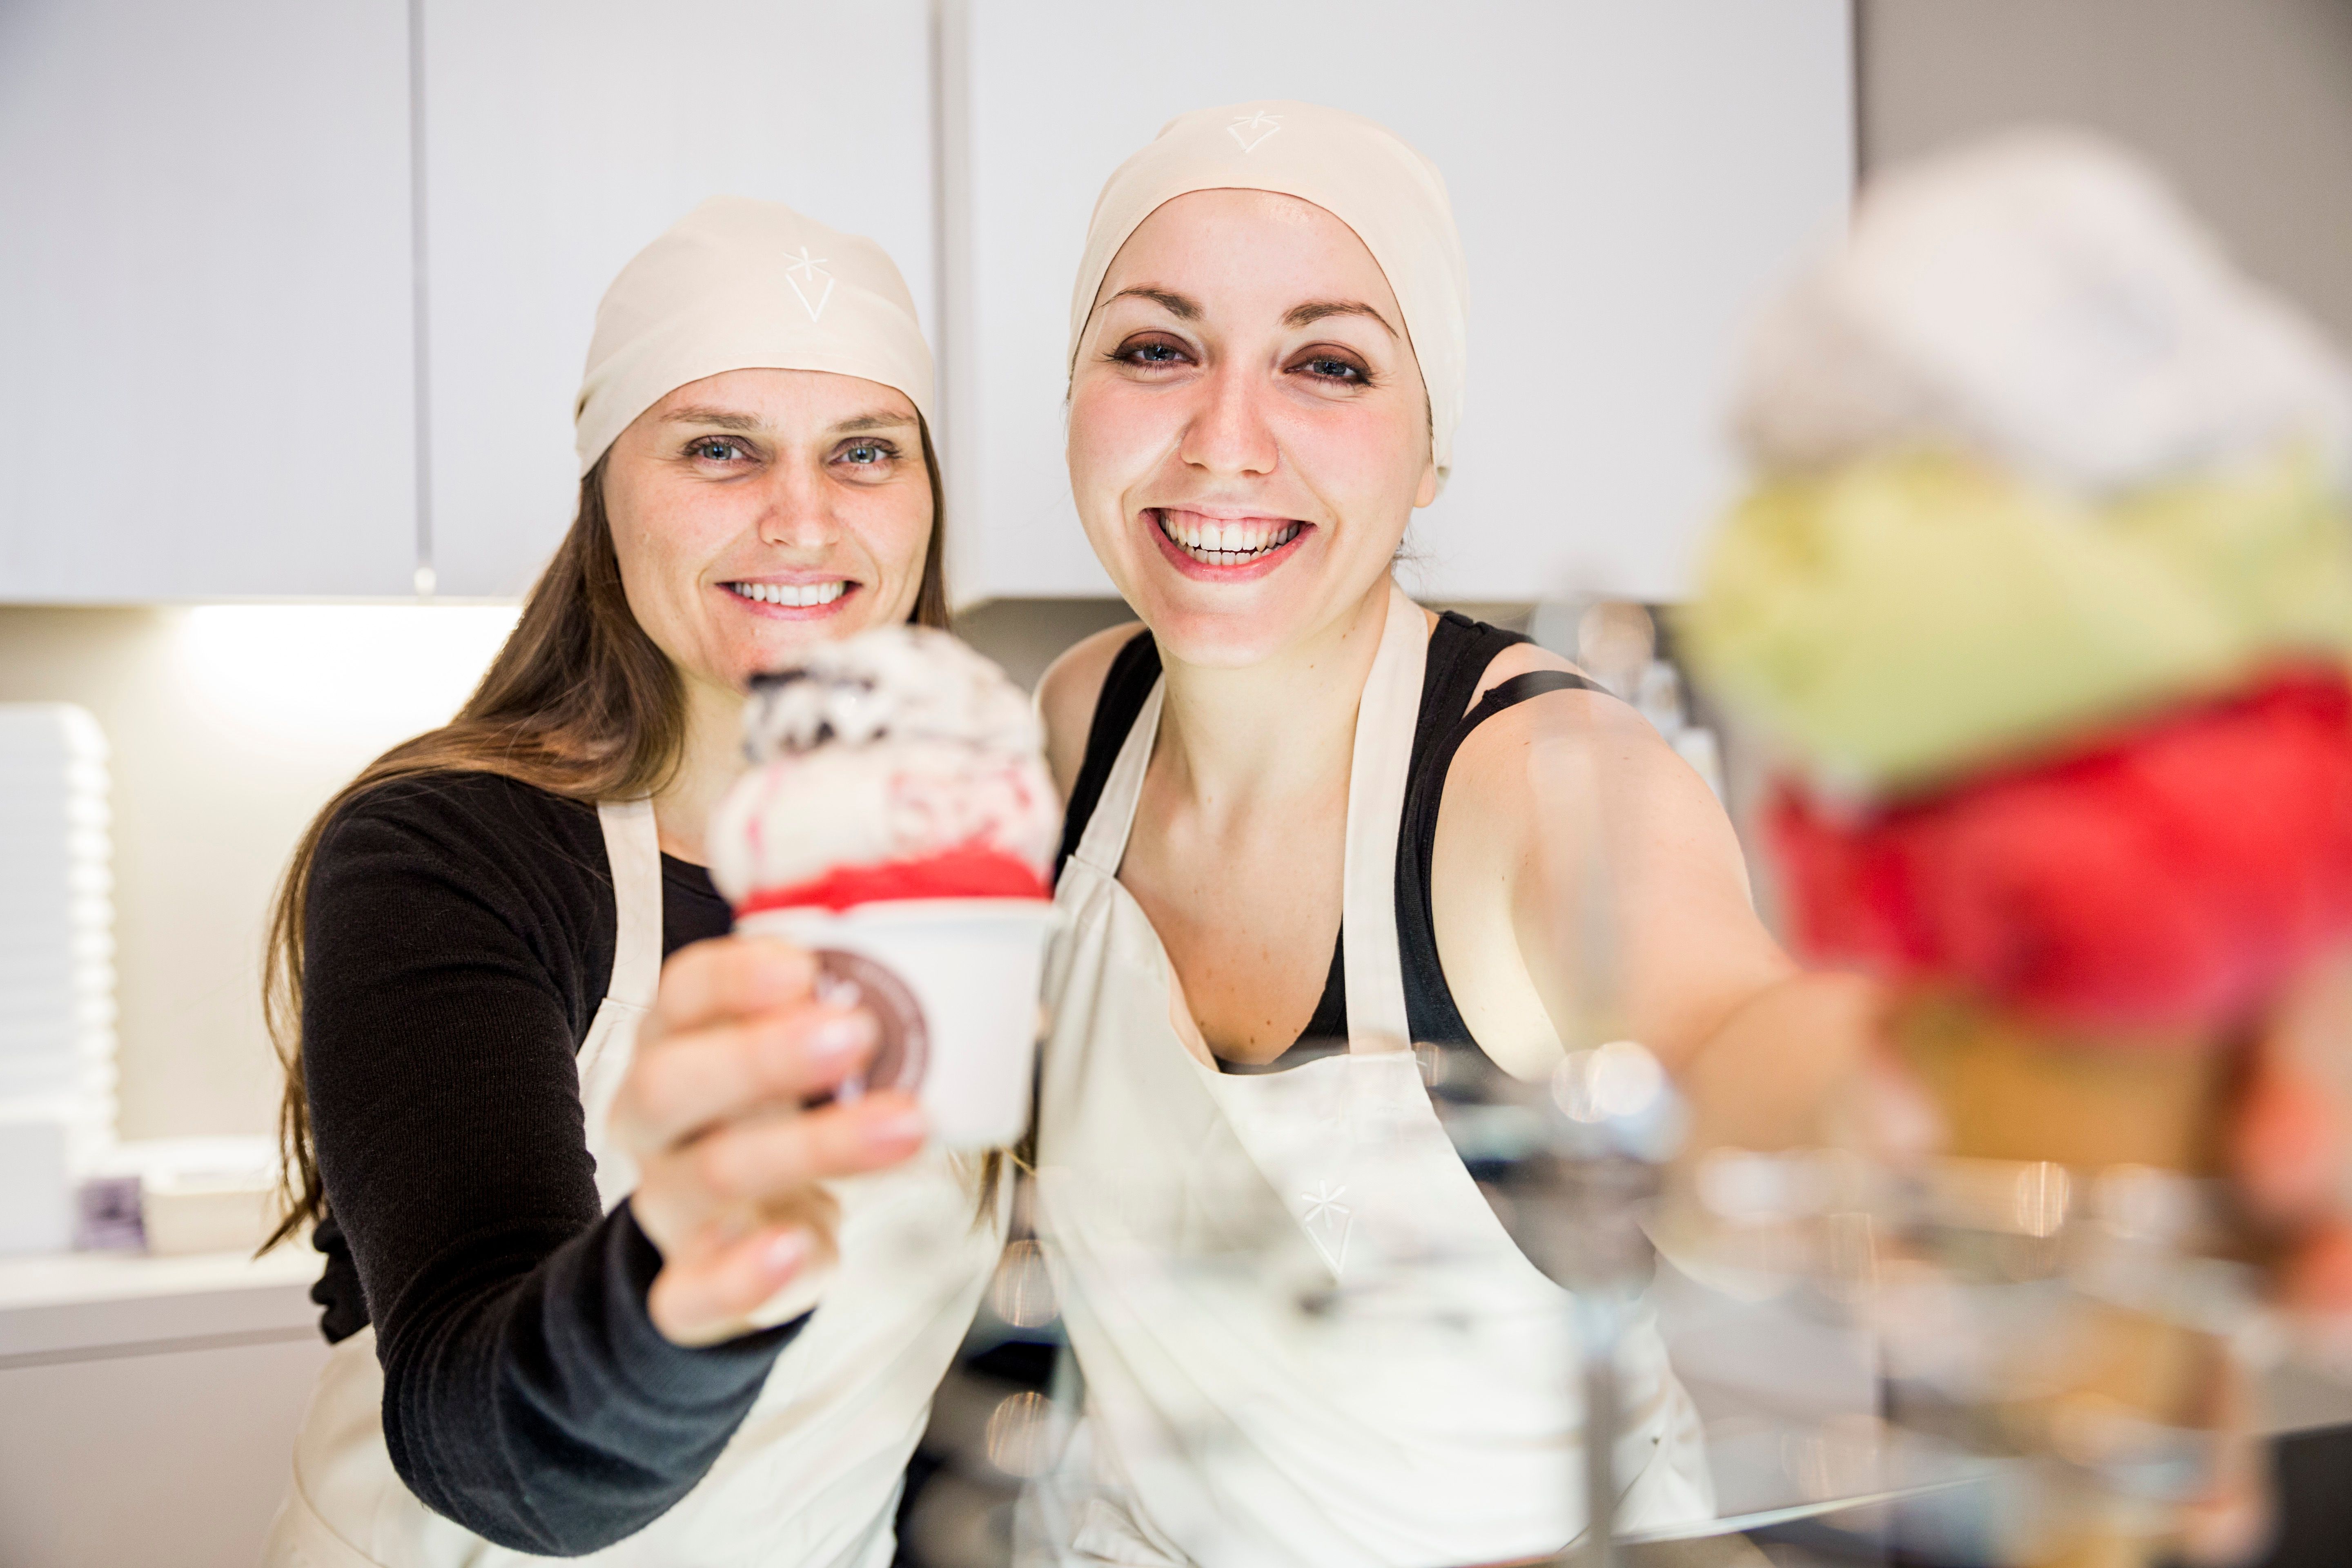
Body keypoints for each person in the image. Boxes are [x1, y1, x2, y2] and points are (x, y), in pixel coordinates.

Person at [1025, 102, 1884, 1566]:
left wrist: (1941, 1096)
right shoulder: (1080, 720)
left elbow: (1737, 1049)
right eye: (1157, 348)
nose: (1226, 441)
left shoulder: (1544, 777)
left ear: (1430, 453)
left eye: (1328, 364)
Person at [261, 198, 1003, 1567]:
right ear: (607, 489)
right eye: (720, 449)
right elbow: (488, 1437)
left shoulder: (978, 875)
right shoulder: (446, 853)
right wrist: (681, 1269)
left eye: (864, 452)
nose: (801, 518)